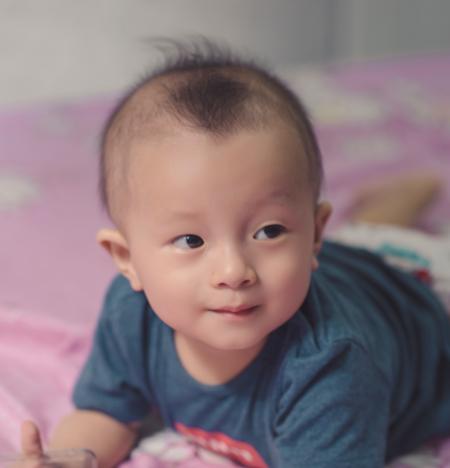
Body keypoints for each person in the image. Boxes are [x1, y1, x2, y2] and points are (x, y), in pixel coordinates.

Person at [20, 41, 450, 468]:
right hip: (351, 266)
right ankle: (394, 203)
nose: (233, 271)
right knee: (363, 239)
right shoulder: (130, 313)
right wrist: (69, 459)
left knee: (380, 246)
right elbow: (105, 412)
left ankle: (399, 205)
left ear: (315, 234)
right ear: (126, 258)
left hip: (425, 298)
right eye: (191, 241)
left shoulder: (329, 368)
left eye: (269, 231)